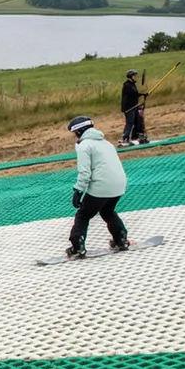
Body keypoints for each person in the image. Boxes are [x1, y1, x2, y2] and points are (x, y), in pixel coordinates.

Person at [66, 115, 129, 259]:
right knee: (107, 211)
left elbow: (85, 172)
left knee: (83, 215)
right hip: (119, 185)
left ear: (79, 132)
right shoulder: (106, 143)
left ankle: (77, 246)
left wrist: (78, 190)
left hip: (101, 186)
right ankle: (121, 239)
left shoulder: (84, 146)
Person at [118, 70, 149, 146]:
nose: (136, 77)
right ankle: (125, 137)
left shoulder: (132, 84)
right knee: (130, 123)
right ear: (130, 77)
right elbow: (134, 94)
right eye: (134, 76)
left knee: (136, 122)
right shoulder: (127, 85)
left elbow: (136, 94)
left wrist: (143, 95)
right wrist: (143, 93)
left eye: (136, 76)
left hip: (134, 107)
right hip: (129, 108)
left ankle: (136, 136)